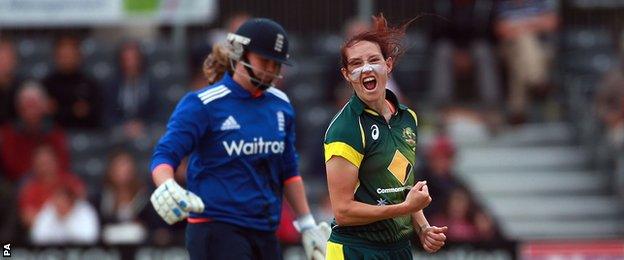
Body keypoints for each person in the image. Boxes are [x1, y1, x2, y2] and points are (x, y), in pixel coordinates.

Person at [149, 18, 330, 260]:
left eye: (276, 64)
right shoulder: (203, 103)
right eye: (264, 61)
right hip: (216, 229)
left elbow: (288, 171)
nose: (271, 71)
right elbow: (165, 154)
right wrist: (166, 184)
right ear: (239, 54)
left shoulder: (281, 104)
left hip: (266, 230)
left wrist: (307, 223)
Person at [323, 14, 447, 259]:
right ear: (347, 75)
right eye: (356, 64)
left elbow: (402, 183)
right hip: (355, 250)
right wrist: (403, 208)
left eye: (373, 60)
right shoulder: (345, 129)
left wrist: (422, 227)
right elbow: (343, 211)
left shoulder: (407, 118)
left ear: (388, 65)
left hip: (399, 250)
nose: (366, 68)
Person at [42, 35, 102, 128]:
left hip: (83, 131)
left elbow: (95, 113)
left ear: (79, 56)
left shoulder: (89, 83)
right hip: (53, 132)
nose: (67, 59)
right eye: (63, 56)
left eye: (70, 55)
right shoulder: (47, 84)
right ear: (56, 57)